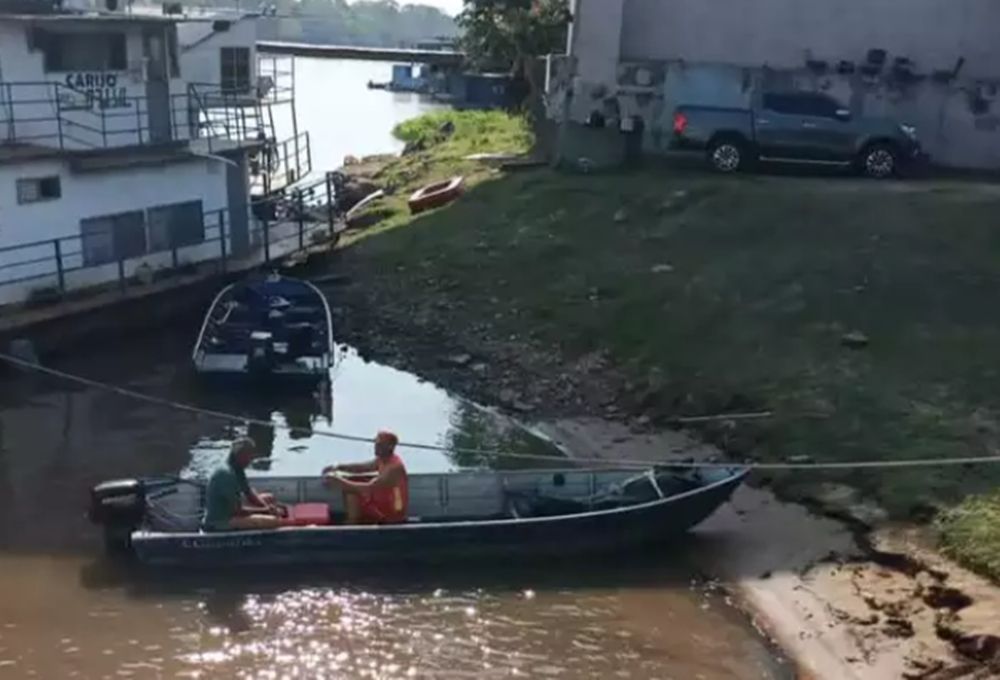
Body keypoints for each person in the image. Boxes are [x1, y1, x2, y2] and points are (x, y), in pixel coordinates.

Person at [322, 431, 409, 524]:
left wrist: (339, 482)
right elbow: (363, 467)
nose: (375, 446)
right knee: (353, 480)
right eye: (375, 443)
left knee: (351, 490)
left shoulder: (394, 468)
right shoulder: (383, 459)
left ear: (390, 447)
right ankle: (354, 521)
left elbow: (367, 489)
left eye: (379, 444)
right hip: (384, 500)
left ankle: (352, 524)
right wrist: (338, 467)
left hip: (392, 514)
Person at [201, 437, 284, 532]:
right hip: (222, 521)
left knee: (269, 498)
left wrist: (265, 507)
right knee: (274, 521)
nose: (251, 460)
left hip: (231, 509)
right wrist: (265, 511)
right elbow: (238, 511)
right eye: (250, 456)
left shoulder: (237, 468)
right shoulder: (226, 475)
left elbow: (249, 493)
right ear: (241, 455)